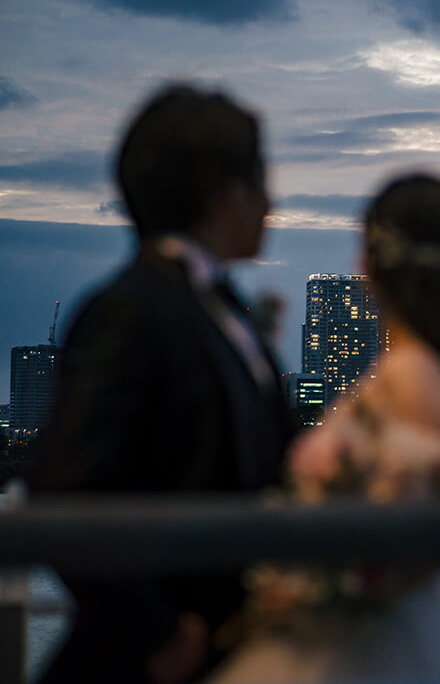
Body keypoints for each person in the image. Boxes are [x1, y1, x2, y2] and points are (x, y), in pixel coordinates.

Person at [208, 173, 440, 683]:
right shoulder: (412, 365)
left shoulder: (413, 372)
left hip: (378, 639)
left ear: (370, 266)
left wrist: (345, 585)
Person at [28, 85, 297, 684]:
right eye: (261, 182)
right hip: (149, 665)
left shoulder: (215, 307)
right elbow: (63, 488)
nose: (270, 204)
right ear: (225, 193)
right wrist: (158, 632)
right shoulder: (131, 310)